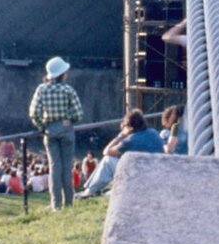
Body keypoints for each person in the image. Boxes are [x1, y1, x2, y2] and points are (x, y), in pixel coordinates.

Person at [28, 55, 84, 210]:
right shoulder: (68, 90)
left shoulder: (42, 89)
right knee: (67, 167)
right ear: (63, 74)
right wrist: (68, 120)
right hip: (66, 130)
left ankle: (56, 205)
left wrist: (42, 126)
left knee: (54, 167)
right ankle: (69, 203)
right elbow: (79, 114)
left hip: (50, 130)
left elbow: (34, 113)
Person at [80, 109, 163, 196]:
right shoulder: (154, 132)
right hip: (155, 177)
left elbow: (106, 151)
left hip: (138, 179)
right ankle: (96, 189)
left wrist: (121, 135)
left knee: (108, 159)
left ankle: (90, 191)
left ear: (129, 127)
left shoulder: (130, 140)